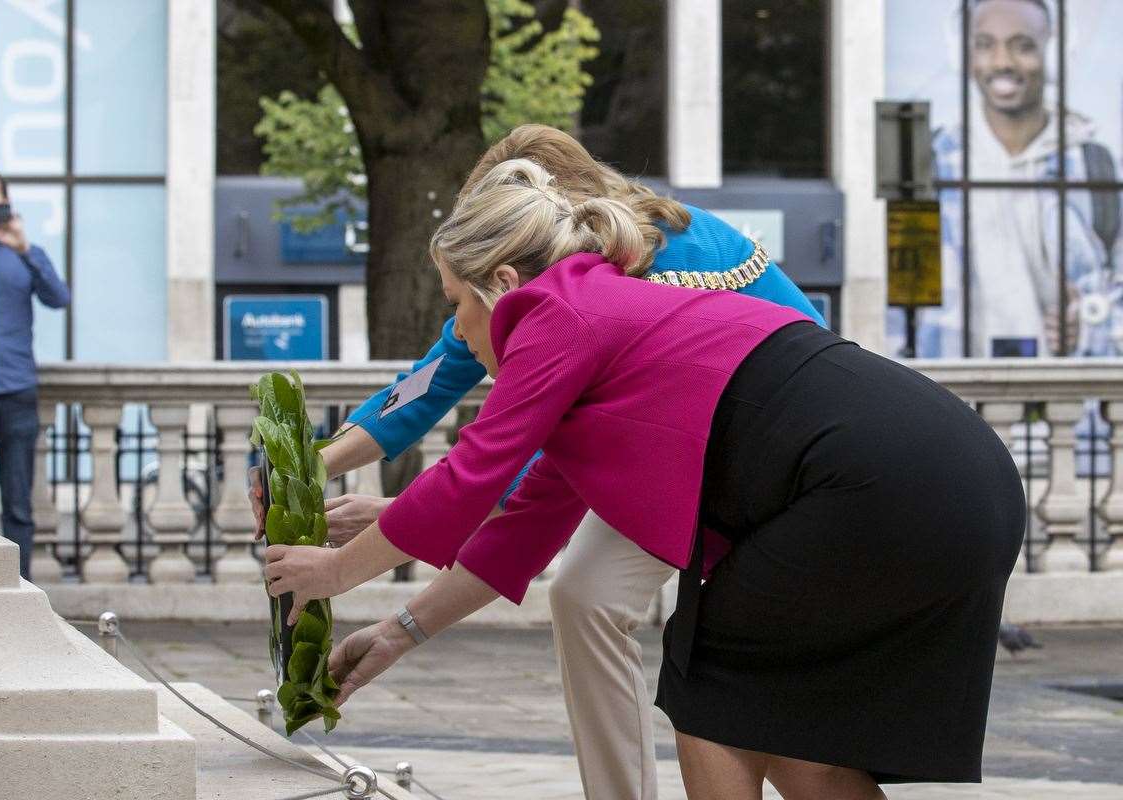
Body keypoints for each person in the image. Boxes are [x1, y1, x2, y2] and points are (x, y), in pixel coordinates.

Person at [264, 158, 1026, 798]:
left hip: (871, 483)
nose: (459, 330)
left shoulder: (558, 315)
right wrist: (397, 634)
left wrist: (332, 572)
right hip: (965, 476)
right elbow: (519, 528)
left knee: (714, 687)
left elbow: (470, 471)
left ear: (501, 280)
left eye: (458, 306)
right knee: (795, 738)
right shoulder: (601, 320)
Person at [251, 125, 824, 800]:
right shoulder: (519, 280)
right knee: (584, 596)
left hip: (759, 451)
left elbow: (545, 471)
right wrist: (313, 464)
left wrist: (384, 534)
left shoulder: (618, 272)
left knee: (726, 689)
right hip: (701, 445)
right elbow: (429, 380)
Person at [914, 0, 1123, 358]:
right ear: (963, 54)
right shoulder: (932, 163)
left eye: (1023, 45)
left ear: (1053, 54)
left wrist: (1087, 331)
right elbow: (899, 305)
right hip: (953, 401)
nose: (1002, 62)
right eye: (984, 44)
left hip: (1066, 406)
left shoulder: (1095, 166)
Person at [0, 170, 70, 580]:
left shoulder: (24, 253)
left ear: (5, 201)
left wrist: (24, 249)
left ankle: (18, 587)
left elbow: (59, 298)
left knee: (18, 501)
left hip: (15, 390)